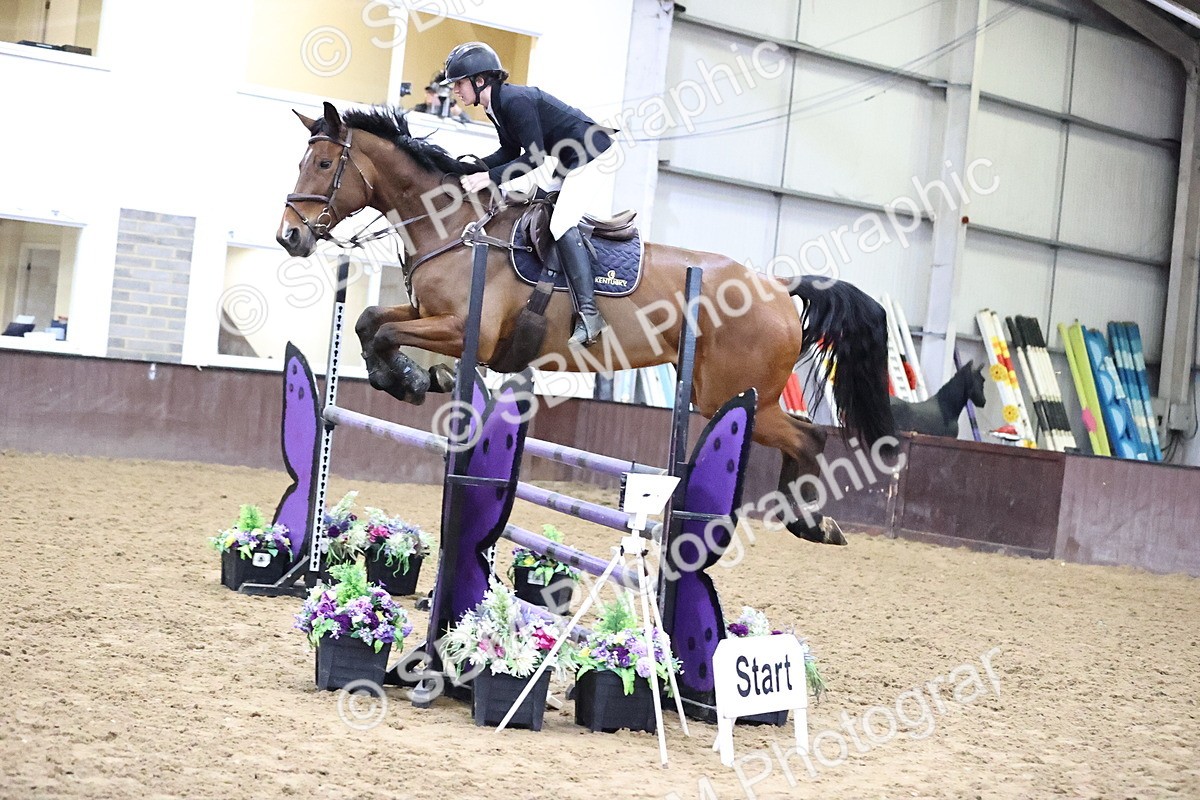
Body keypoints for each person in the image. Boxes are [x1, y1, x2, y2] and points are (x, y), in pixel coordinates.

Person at [442, 41, 616, 347]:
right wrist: (469, 168)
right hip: (568, 159)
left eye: (458, 83)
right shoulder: (494, 106)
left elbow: (534, 158)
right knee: (538, 210)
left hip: (594, 153)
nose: (455, 90)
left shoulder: (514, 100)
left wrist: (488, 177)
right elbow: (509, 151)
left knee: (561, 223)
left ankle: (590, 314)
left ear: (479, 80)